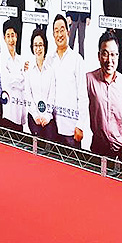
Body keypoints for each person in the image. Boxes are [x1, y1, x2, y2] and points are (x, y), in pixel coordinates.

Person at [87, 31, 122, 164]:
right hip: (98, 148)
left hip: (121, 151)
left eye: (113, 54)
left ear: (118, 56)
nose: (109, 60)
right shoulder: (89, 80)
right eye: (105, 54)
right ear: (99, 56)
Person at [48, 14, 89, 148]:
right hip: (52, 128)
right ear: (53, 35)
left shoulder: (77, 60)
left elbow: (83, 96)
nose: (59, 34)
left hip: (72, 130)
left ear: (68, 32)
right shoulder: (49, 60)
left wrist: (80, 126)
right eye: (56, 31)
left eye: (62, 30)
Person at [24, 28, 55, 140]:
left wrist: (46, 116)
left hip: (48, 116)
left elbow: (52, 95)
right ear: (32, 47)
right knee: (38, 138)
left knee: (50, 137)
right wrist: (36, 115)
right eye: (35, 45)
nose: (38, 48)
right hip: (33, 115)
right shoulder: (29, 69)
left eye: (40, 45)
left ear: (45, 46)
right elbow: (28, 94)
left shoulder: (50, 70)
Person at [0, 19, 26, 132]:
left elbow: (25, 83)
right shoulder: (2, 57)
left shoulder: (20, 59)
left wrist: (18, 79)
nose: (11, 39)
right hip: (9, 109)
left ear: (16, 36)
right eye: (8, 36)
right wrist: (20, 78)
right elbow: (8, 81)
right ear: (4, 38)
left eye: (13, 35)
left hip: (20, 107)